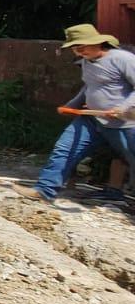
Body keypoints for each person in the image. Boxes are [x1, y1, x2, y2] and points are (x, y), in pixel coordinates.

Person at [11, 24, 135, 203]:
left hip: (123, 123)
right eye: (75, 48)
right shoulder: (87, 61)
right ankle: (45, 190)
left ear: (97, 42)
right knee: (65, 148)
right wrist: (72, 105)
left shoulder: (122, 59)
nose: (79, 52)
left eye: (82, 47)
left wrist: (124, 107)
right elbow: (89, 87)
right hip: (91, 119)